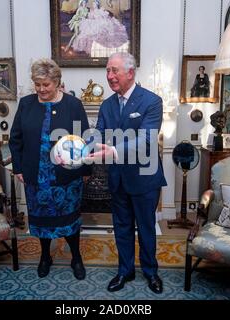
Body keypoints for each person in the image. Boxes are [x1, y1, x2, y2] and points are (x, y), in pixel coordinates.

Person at [87, 52, 167, 294]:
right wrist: (78, 145)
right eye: (108, 70)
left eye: (115, 71)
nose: (110, 76)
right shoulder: (107, 104)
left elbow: (146, 140)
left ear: (130, 73)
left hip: (145, 178)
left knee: (145, 228)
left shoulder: (152, 101)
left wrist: (112, 149)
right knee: (121, 227)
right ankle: (125, 271)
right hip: (118, 179)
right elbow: (98, 133)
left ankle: (151, 272)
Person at [9, 58, 91, 280]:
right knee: (40, 219)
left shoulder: (73, 105)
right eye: (37, 84)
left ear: (57, 82)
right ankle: (45, 257)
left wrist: (85, 171)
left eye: (46, 84)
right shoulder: (26, 104)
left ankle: (76, 257)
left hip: (67, 174)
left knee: (70, 219)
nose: (41, 89)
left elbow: (84, 139)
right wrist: (18, 167)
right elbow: (15, 139)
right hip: (36, 174)